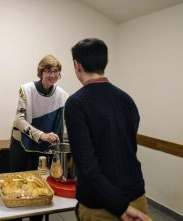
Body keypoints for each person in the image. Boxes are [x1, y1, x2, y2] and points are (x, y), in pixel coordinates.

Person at [64, 38, 150, 221]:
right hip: (137, 197)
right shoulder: (127, 99)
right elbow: (128, 148)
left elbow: (87, 167)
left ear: (76, 65)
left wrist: (120, 206)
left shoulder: (76, 103)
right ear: (106, 62)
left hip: (103, 206)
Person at [10, 54, 68, 172]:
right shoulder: (26, 89)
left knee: (41, 181)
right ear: (41, 72)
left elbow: (62, 124)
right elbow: (19, 121)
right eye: (48, 71)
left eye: (56, 71)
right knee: (18, 178)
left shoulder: (62, 95)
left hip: (45, 145)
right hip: (22, 143)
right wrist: (42, 135)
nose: (52, 75)